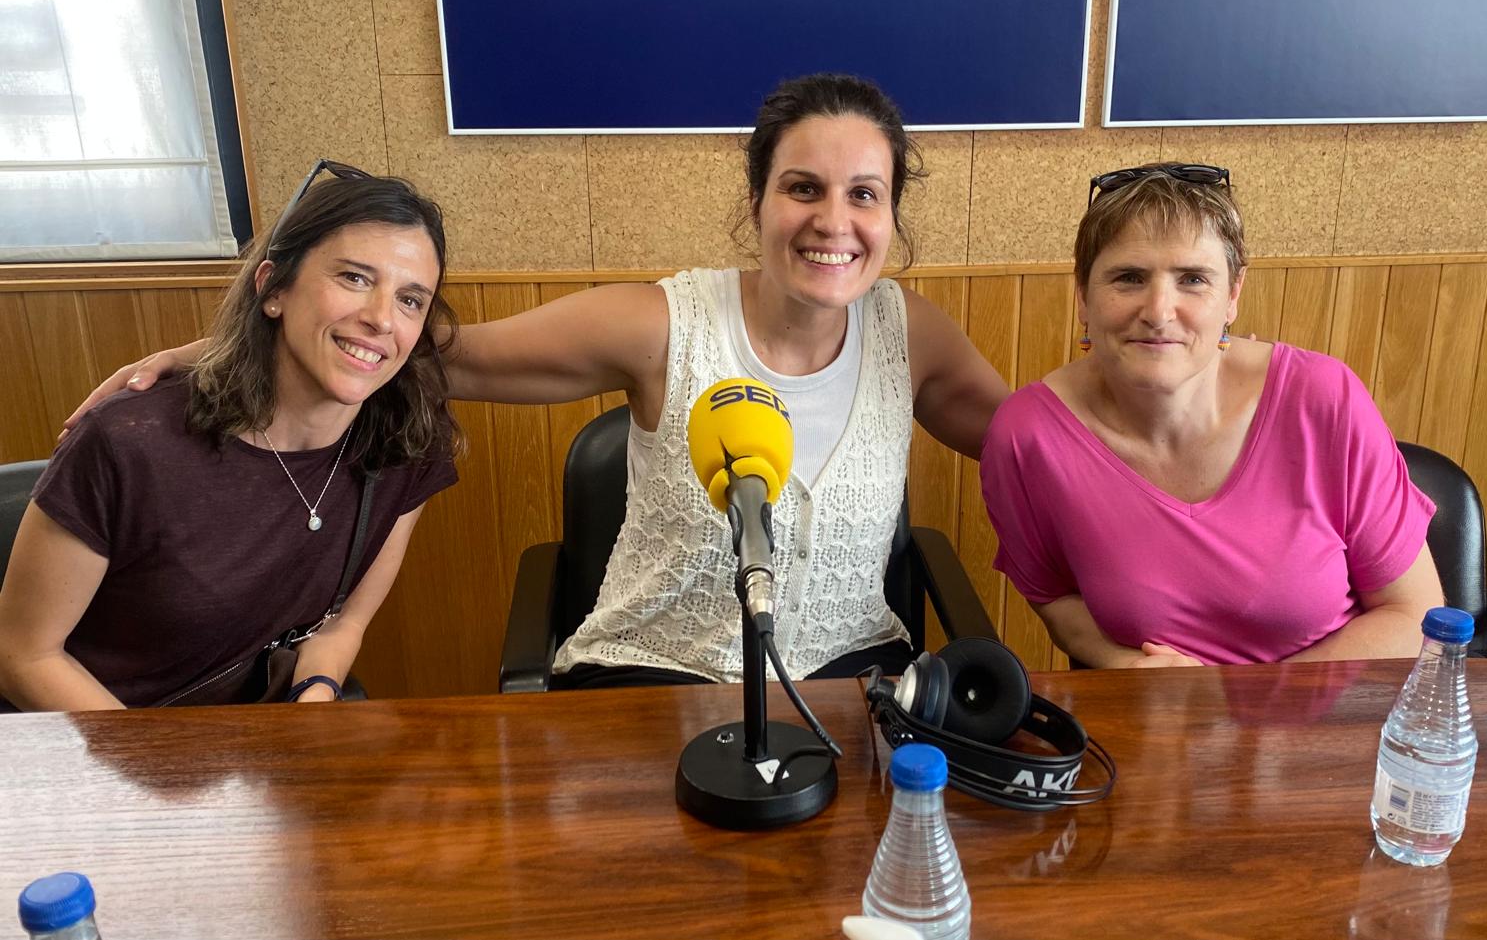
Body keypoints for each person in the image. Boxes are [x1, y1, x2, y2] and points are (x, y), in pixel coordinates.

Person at [58, 74, 1009, 689]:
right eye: (803, 187)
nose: (832, 220)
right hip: (654, 680)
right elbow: (432, 350)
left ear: (891, 216)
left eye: (863, 194)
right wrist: (222, 344)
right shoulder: (664, 323)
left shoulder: (911, 335)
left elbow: (1029, 443)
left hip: (855, 685)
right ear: (757, 199)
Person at [0, 163, 459, 710]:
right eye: (354, 278)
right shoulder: (127, 443)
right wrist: (154, 763)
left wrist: (313, 696)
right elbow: (23, 656)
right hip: (98, 739)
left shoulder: (404, 444)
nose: (382, 319)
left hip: (253, 737)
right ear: (273, 289)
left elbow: (342, 624)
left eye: (410, 299)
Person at [981, 163, 1443, 668]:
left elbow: (1412, 616)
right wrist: (1125, 666)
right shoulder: (1027, 435)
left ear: (1232, 296)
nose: (1159, 311)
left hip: (1332, 709)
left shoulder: (1324, 399)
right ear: (1083, 296)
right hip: (1152, 715)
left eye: (1193, 279)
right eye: (1129, 278)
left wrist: (1243, 704)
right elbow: (1054, 597)